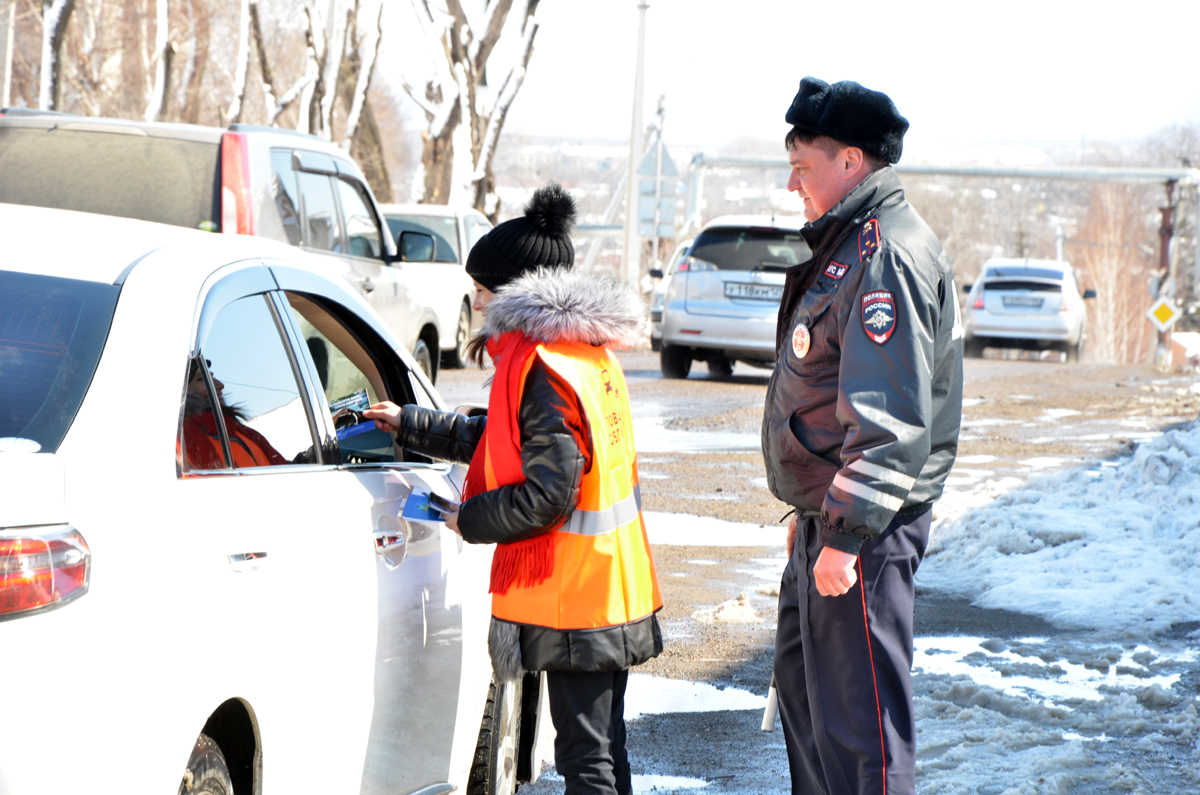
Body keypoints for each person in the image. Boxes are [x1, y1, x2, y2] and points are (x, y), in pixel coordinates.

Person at [363, 184, 662, 795]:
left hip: (575, 593)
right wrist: (413, 423)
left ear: (510, 291)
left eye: (479, 288)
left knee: (588, 763)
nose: (473, 300)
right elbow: (509, 441)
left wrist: (467, 518)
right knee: (604, 753)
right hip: (605, 582)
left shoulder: (540, 367)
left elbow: (547, 494)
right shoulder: (576, 352)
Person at [761, 77, 964, 795]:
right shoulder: (849, 244)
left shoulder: (883, 254)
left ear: (851, 161)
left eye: (803, 166)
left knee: (863, 728)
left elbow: (885, 416)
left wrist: (845, 535)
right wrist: (816, 513)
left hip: (866, 529)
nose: (793, 185)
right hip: (832, 517)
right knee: (809, 700)